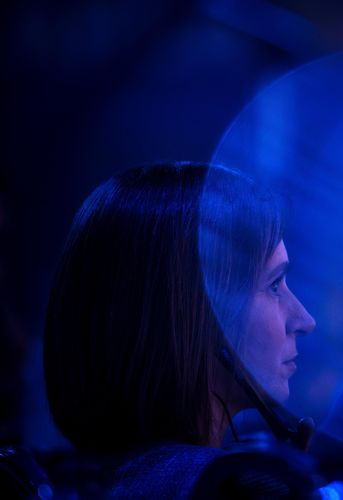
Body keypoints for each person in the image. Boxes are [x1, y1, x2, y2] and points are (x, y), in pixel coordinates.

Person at [42, 162, 317, 498]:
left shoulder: (64, 481)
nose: (305, 320)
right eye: (274, 285)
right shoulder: (226, 487)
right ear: (196, 317)